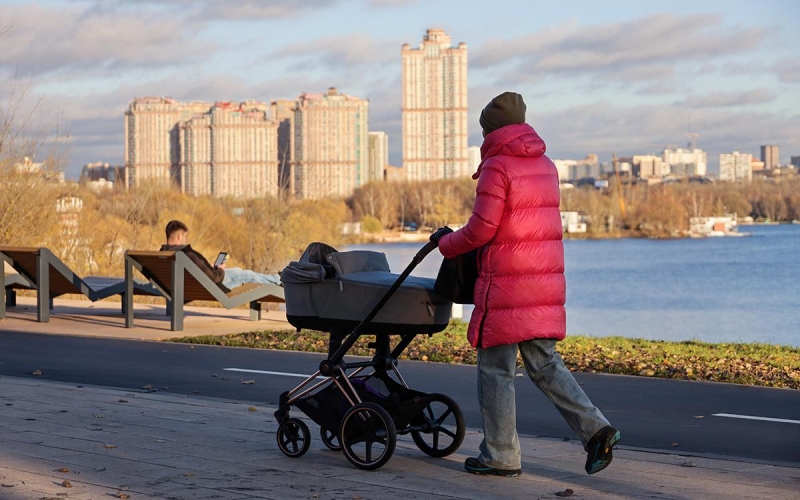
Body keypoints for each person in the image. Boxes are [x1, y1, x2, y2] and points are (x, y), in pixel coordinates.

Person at [429, 92, 619, 477]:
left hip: (507, 282)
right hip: (543, 281)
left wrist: (445, 245)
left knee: (496, 368)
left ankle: (500, 456)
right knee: (544, 362)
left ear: (491, 130)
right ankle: (596, 428)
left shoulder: (497, 166)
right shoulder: (546, 164)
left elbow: (483, 229)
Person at [161, 220, 281, 290]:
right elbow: (214, 278)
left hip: (185, 287)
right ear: (179, 236)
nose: (185, 239)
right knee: (247, 274)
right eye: (185, 236)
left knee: (237, 270)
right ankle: (278, 279)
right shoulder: (186, 253)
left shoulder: (163, 253)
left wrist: (210, 267)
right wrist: (220, 270)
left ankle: (276, 278)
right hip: (210, 286)